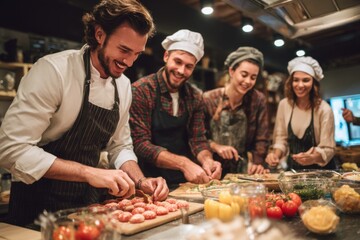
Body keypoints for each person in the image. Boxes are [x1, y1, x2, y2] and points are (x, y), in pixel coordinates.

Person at [0, 0, 168, 227]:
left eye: (136, 54)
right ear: (99, 34)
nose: (128, 62)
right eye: (123, 50)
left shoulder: (124, 85)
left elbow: (120, 146)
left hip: (88, 207)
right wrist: (89, 173)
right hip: (37, 207)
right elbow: (11, 149)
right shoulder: (54, 71)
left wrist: (140, 181)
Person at [130, 29, 222, 185]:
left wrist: (207, 160)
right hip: (149, 181)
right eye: (178, 62)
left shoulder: (195, 96)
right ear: (166, 56)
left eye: (189, 66)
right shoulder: (141, 90)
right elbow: (140, 144)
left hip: (184, 182)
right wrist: (183, 163)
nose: (181, 71)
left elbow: (198, 139)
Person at [202, 47, 270, 177]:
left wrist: (257, 163)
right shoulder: (208, 99)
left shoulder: (258, 100)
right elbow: (198, 137)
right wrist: (216, 146)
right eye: (244, 75)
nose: (248, 81)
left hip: (243, 171)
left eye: (253, 77)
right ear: (231, 71)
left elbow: (262, 138)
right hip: (212, 169)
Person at [265, 56, 336, 170]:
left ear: (314, 83)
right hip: (294, 171)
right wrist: (275, 155)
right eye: (296, 80)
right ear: (290, 82)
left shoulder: (324, 109)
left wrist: (313, 157)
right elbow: (280, 138)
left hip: (321, 173)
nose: (300, 85)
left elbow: (329, 148)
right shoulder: (284, 105)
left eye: (306, 80)